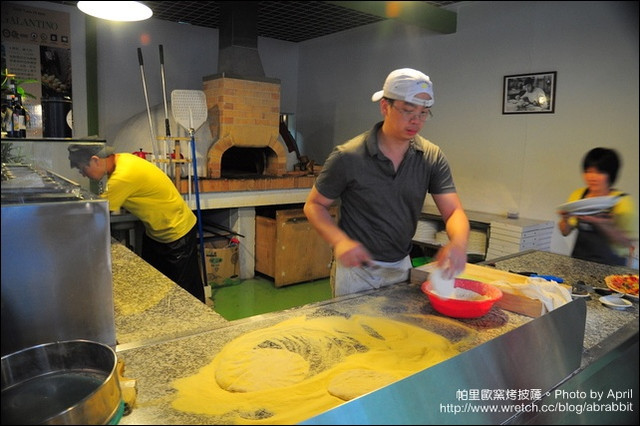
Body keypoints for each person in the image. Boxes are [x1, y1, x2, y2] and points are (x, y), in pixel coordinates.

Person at [303, 68, 470, 297]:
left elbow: (453, 212)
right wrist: (339, 241)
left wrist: (458, 244)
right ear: (385, 106)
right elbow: (314, 205)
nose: (416, 120)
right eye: (408, 110)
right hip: (356, 271)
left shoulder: (431, 156)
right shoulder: (349, 156)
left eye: (423, 113)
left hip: (401, 266)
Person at [68, 144, 206, 302]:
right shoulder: (123, 159)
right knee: (155, 285)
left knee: (186, 294)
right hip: (157, 233)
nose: (83, 174)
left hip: (176, 233)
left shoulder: (122, 176)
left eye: (82, 169)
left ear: (95, 160)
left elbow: (97, 214)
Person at [558, 147, 636, 266]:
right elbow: (565, 232)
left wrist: (602, 223)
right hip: (579, 263)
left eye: (599, 172)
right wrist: (565, 219)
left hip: (611, 267)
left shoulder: (622, 201)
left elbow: (626, 242)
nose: (592, 177)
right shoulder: (579, 195)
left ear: (610, 174)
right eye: (588, 171)